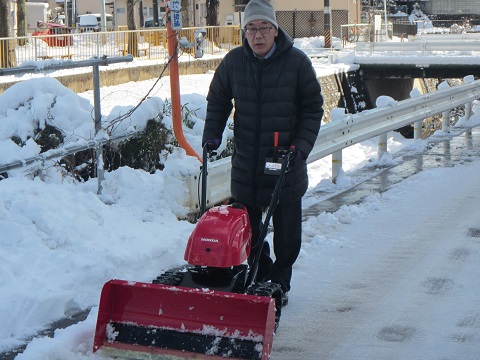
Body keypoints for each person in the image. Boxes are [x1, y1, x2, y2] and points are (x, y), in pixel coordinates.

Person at [202, 0, 323, 305]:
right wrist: (211, 136)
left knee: (287, 236)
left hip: (286, 162)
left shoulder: (297, 63)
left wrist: (301, 147)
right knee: (251, 232)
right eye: (251, 29)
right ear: (244, 32)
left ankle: (279, 283)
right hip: (247, 165)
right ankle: (261, 279)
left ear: (274, 29)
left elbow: (313, 108)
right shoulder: (233, 63)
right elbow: (218, 101)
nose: (257, 35)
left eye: (263, 28)